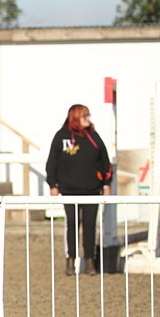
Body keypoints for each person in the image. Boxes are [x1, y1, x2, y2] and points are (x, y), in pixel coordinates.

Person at [46, 104, 112, 275]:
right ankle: (71, 260)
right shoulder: (61, 137)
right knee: (72, 224)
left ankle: (90, 261)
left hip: (92, 190)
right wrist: (53, 184)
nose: (88, 119)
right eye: (84, 116)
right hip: (69, 191)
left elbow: (105, 161)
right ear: (75, 117)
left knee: (90, 225)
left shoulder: (93, 136)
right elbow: (52, 162)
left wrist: (106, 183)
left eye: (88, 116)